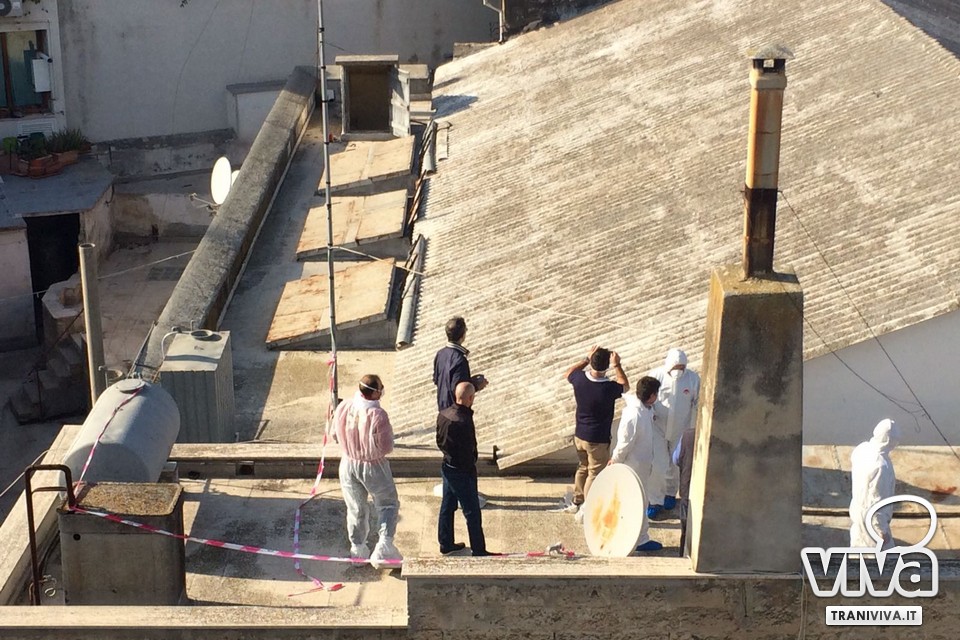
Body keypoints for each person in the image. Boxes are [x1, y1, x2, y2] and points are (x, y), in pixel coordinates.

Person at [332, 374, 402, 569]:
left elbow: (334, 434)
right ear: (376, 393)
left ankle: (358, 549)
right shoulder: (378, 415)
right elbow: (387, 447)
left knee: (355, 507)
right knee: (387, 504)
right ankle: (384, 547)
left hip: (347, 463)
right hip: (373, 465)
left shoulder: (344, 406)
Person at [562, 346, 630, 514]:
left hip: (580, 435)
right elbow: (625, 386)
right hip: (598, 439)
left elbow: (569, 373)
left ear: (592, 362)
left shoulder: (579, 379)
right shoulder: (608, 388)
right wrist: (617, 365)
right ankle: (588, 506)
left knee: (582, 467)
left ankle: (578, 500)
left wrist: (586, 359)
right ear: (607, 366)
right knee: (595, 473)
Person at [436, 382, 498, 556]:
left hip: (447, 466)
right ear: (470, 398)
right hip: (462, 471)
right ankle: (478, 549)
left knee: (447, 506)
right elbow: (469, 448)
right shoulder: (463, 421)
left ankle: (446, 543)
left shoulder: (443, 414)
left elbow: (439, 440)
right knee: (472, 512)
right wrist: (471, 463)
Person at [609, 376, 664, 552]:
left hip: (641, 465)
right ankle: (640, 539)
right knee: (637, 502)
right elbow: (625, 443)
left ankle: (635, 536)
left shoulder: (644, 409)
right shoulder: (634, 416)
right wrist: (615, 461)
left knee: (638, 500)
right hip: (633, 467)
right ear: (652, 395)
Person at [647, 347, 700, 518]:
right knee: (658, 464)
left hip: (680, 429)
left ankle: (670, 493)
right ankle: (654, 500)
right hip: (658, 428)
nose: (678, 371)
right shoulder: (656, 376)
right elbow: (645, 398)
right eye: (675, 368)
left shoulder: (692, 379)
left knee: (676, 463)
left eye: (681, 368)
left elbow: (699, 402)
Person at [849, 419, 900, 549]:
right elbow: (877, 500)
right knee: (881, 558)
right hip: (872, 523)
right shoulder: (881, 467)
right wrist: (881, 530)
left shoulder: (862, 449)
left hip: (857, 513)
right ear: (890, 441)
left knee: (858, 551)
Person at [433, 316, 489, 411]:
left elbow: (437, 380)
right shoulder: (460, 359)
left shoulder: (440, 354)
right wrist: (476, 385)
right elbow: (461, 393)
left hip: (442, 410)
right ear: (463, 335)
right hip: (456, 412)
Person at [671, 425, 697, 557]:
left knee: (686, 530)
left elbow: (676, 459)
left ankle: (683, 556)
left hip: (687, 491)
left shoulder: (688, 435)